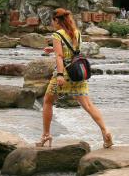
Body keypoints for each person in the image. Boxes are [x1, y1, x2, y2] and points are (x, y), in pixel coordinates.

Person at [38, 8, 113, 149]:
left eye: (52, 20)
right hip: (77, 73)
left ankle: (46, 135)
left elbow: (60, 57)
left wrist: (59, 75)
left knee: (47, 102)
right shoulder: (77, 33)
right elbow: (73, 52)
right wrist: (53, 49)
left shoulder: (57, 35)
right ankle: (105, 131)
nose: (52, 23)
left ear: (56, 20)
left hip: (64, 74)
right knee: (89, 105)